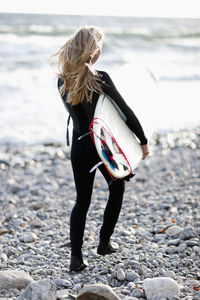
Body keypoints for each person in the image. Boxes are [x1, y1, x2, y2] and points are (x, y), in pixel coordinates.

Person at [53, 26, 149, 272]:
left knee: (81, 201)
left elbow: (78, 115)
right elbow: (124, 111)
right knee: (117, 187)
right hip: (102, 146)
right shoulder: (101, 77)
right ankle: (104, 243)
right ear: (92, 51)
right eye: (99, 47)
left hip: (79, 146)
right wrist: (142, 140)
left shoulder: (61, 79)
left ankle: (76, 258)